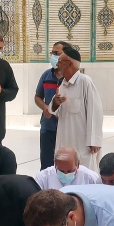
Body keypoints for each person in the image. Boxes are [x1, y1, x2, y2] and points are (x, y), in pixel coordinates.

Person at [50, 46, 104, 172]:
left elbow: (95, 111)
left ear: (69, 64)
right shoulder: (62, 84)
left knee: (84, 172)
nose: (57, 64)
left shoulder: (85, 82)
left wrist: (94, 139)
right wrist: (55, 103)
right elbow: (53, 110)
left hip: (82, 143)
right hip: (65, 138)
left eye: (60, 61)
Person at [34, 41, 71, 169]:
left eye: (57, 53)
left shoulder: (72, 78)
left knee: (65, 163)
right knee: (46, 163)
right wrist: (45, 107)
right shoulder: (46, 75)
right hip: (48, 126)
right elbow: (38, 96)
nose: (53, 56)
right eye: (52, 53)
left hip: (66, 127)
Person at [35, 147, 100, 190]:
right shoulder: (43, 177)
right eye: (61, 171)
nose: (65, 174)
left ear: (77, 164)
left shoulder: (90, 177)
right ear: (55, 164)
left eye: (69, 171)